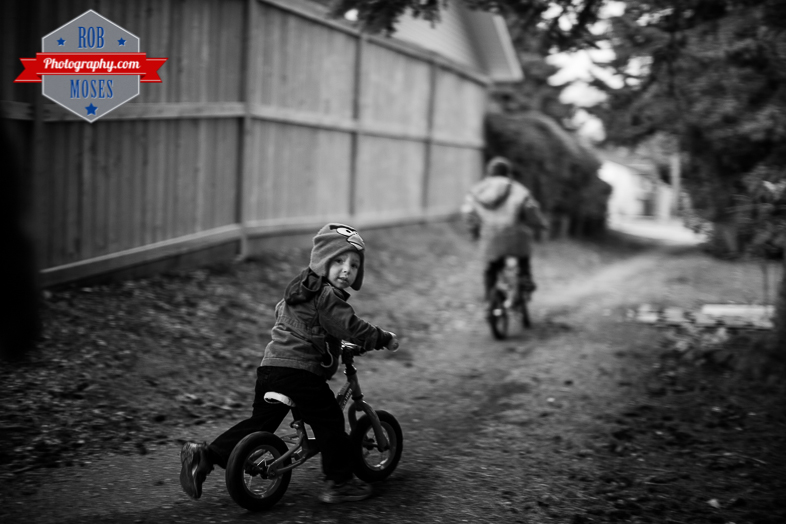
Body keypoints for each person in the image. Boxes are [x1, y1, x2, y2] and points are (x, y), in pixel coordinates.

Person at [179, 223, 399, 504]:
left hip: (271, 368)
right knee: (330, 420)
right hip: (300, 373)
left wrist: (326, 341)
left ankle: (205, 455)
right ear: (322, 261)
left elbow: (293, 321)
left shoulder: (297, 291)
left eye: (354, 265)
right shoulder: (327, 297)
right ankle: (340, 482)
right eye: (339, 261)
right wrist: (382, 338)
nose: (346, 270)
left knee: (261, 423)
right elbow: (351, 326)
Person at [461, 156, 548, 308]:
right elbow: (531, 209)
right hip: (516, 238)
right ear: (508, 173)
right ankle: (525, 279)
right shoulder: (519, 189)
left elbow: (469, 213)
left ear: (489, 173)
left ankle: (489, 300)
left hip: (490, 238)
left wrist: (473, 231)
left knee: (491, 268)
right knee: (523, 258)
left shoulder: (477, 190)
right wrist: (540, 224)